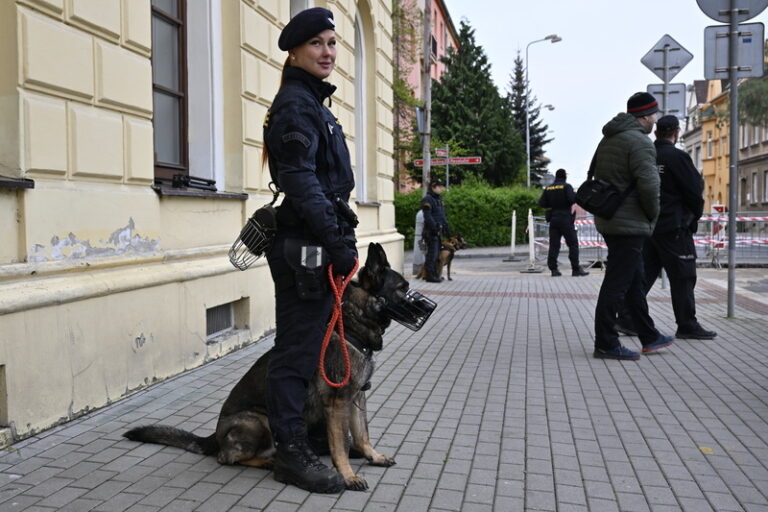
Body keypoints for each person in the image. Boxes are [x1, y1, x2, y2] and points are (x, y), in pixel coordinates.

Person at [261, 7, 357, 493]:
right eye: (317, 44)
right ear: (295, 52)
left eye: (332, 42)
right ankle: (290, 453)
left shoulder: (313, 104)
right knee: (296, 353)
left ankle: (296, 437)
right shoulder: (297, 105)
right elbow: (300, 181)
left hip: (314, 243)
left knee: (306, 346)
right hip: (305, 247)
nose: (327, 52)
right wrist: (337, 241)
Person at [592, 92, 674, 361]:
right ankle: (606, 343)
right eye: (654, 115)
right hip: (630, 223)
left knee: (634, 281)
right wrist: (653, 215)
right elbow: (650, 185)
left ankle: (649, 335)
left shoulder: (609, 138)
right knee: (617, 284)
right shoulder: (639, 142)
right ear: (645, 117)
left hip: (610, 218)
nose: (655, 120)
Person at [643, 115, 717, 339]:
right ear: (675, 132)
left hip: (648, 226)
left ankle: (626, 318)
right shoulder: (678, 157)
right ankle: (686, 324)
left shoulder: (646, 155)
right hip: (674, 227)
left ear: (656, 133)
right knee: (683, 276)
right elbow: (694, 191)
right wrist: (692, 217)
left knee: (644, 274)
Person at [538, 168, 589, 277]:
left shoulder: (548, 188)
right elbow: (572, 199)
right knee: (573, 244)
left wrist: (552, 204)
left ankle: (554, 270)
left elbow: (542, 203)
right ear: (564, 176)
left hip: (554, 219)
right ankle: (576, 269)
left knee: (554, 246)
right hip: (565, 219)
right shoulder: (566, 186)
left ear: (556, 176)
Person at [420, 178, 451, 283]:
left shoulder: (439, 199)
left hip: (438, 232)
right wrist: (435, 227)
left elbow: (441, 215)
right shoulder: (427, 199)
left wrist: (446, 226)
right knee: (432, 254)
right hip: (431, 231)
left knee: (436, 254)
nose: (441, 188)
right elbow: (427, 216)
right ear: (433, 187)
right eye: (439, 186)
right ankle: (430, 276)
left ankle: (435, 274)